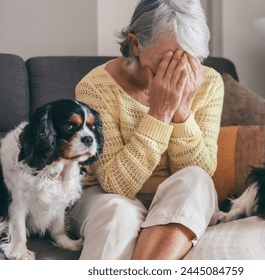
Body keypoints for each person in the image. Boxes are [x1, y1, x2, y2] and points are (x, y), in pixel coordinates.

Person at [69, 0, 224, 260]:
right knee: (118, 211)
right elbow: (116, 185)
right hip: (103, 196)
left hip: (174, 198)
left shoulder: (208, 83)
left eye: (190, 59)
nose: (179, 73)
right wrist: (160, 113)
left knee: (198, 181)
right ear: (135, 43)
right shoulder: (95, 88)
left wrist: (182, 111)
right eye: (167, 61)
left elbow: (199, 170)